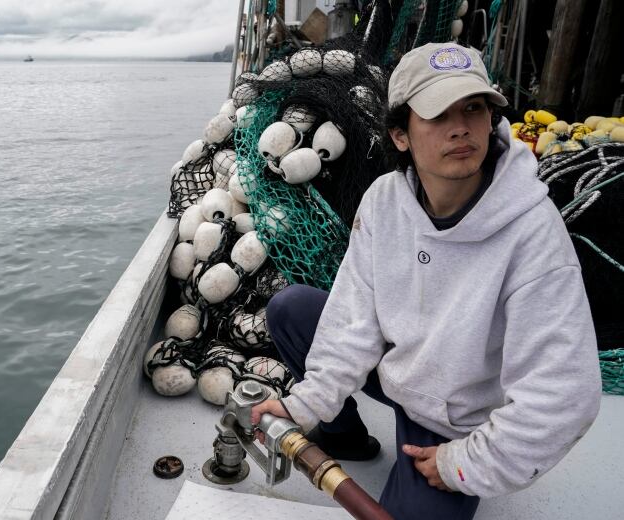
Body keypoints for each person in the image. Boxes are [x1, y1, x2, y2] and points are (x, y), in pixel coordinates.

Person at [250, 42, 601, 519]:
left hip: (453, 419)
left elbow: (564, 394)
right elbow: (354, 317)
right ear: (400, 135)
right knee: (292, 309)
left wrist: (466, 463)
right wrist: (304, 406)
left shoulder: (533, 232)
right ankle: (344, 436)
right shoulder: (384, 201)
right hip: (396, 370)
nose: (462, 128)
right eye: (438, 115)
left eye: (474, 108)